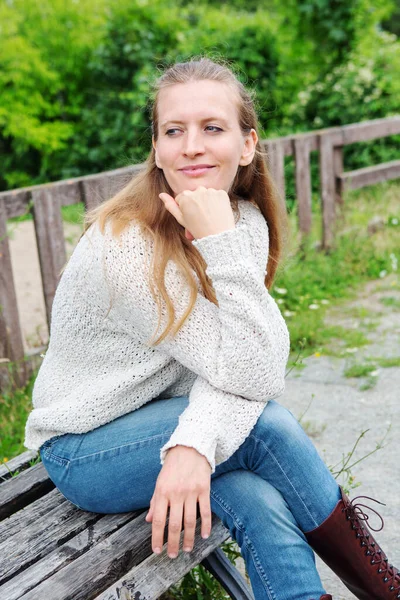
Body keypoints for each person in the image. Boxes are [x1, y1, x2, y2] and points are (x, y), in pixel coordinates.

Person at [24, 57, 399, 600]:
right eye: (173, 131)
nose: (192, 146)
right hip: (88, 446)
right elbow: (254, 375)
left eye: (212, 128)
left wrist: (192, 442)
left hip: (170, 419)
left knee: (258, 500)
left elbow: (251, 365)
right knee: (268, 429)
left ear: (247, 145)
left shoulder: (241, 220)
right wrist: (195, 443)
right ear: (156, 149)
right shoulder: (126, 245)